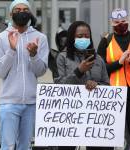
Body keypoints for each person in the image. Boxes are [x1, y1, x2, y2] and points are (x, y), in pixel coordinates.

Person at [0, 0, 49, 150]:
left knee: (25, 146)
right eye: (17, 10)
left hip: (31, 104)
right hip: (8, 103)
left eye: (25, 9)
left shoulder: (40, 38)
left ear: (30, 13)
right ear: (11, 14)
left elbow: (41, 71)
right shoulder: (0, 38)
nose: (22, 12)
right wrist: (11, 50)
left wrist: (34, 55)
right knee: (8, 146)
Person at [55, 21, 113, 150]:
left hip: (96, 118)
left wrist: (96, 85)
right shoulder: (62, 57)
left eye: (87, 36)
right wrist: (78, 71)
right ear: (71, 37)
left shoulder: (98, 59)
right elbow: (58, 86)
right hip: (69, 117)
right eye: (80, 36)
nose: (84, 39)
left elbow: (107, 85)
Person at [97, 8, 130, 150]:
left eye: (123, 21)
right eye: (117, 22)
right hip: (113, 92)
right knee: (113, 129)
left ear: (128, 21)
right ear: (111, 23)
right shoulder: (106, 41)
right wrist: (119, 62)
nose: (121, 24)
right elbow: (100, 68)